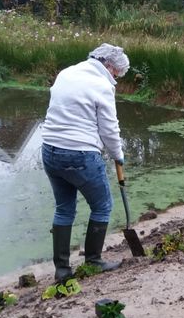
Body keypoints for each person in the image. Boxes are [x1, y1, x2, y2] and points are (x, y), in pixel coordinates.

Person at [41, 43, 129, 282]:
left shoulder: (67, 73)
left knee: (64, 208)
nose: (116, 79)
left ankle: (62, 269)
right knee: (102, 206)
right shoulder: (101, 85)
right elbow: (109, 130)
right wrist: (117, 155)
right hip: (81, 154)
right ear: (109, 66)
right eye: (116, 74)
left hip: (50, 150)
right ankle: (93, 260)